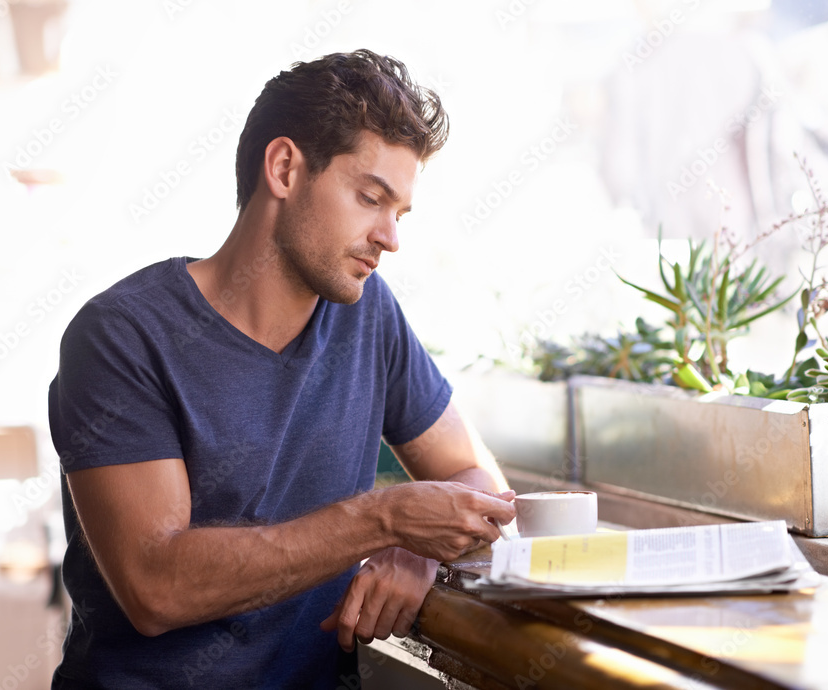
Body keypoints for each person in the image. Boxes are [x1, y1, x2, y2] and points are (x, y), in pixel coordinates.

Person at [47, 49, 516, 689]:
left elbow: (477, 480)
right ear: (286, 168)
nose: (390, 237)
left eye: (398, 213)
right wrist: (384, 520)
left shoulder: (367, 314)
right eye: (370, 198)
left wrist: (414, 552)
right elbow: (156, 587)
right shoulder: (121, 338)